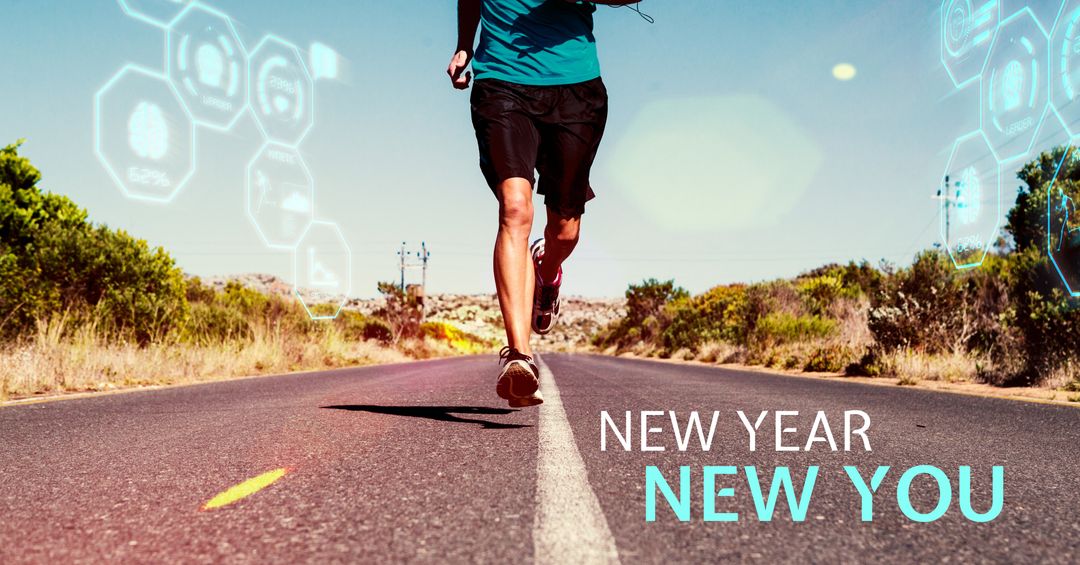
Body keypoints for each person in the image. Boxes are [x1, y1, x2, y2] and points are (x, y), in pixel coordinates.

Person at [448, 0, 639, 407]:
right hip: (501, 80)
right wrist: (465, 44)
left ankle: (547, 273)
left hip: (576, 85)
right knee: (515, 208)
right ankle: (518, 355)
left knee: (565, 226)